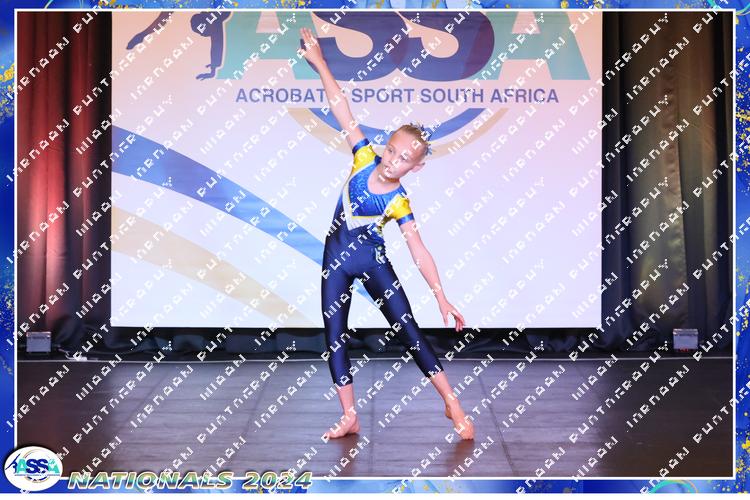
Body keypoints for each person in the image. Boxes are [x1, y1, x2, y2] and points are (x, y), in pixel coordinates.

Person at [300, 27, 475, 441]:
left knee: (408, 330)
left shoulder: (399, 201)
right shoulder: (363, 157)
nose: (393, 161)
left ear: (416, 167)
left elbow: (418, 249)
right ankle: (349, 415)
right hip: (336, 261)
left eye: (405, 159)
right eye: (392, 150)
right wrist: (320, 63)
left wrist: (441, 296)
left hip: (374, 264)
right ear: (386, 145)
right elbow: (341, 107)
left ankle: (451, 401)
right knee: (334, 336)